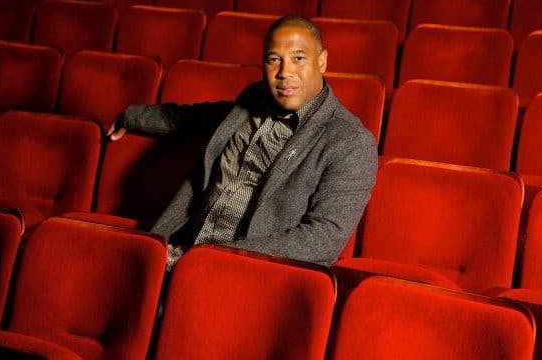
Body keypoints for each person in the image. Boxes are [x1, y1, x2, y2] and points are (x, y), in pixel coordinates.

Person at [107, 15, 378, 267]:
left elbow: (322, 239)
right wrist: (129, 118)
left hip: (247, 274)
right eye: (274, 60)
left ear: (321, 61)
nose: (284, 72)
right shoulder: (253, 101)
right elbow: (191, 117)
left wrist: (215, 257)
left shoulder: (350, 142)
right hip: (179, 254)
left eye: (298, 58)